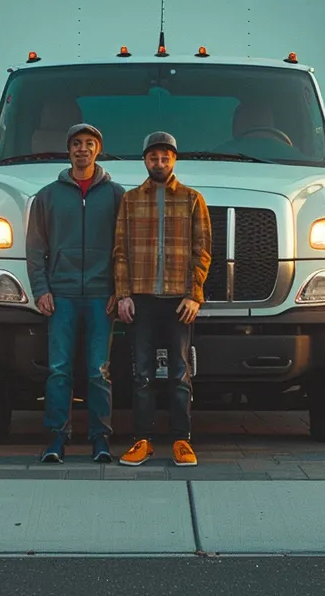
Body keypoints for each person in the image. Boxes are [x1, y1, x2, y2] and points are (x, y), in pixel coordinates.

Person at [25, 122, 126, 463]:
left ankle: (100, 440)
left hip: (101, 297)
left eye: (89, 144)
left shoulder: (116, 196)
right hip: (62, 295)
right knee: (59, 369)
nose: (83, 149)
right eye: (77, 144)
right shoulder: (47, 196)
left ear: (98, 150)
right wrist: (41, 289)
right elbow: (36, 248)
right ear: (68, 150)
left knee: (99, 370)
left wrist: (120, 289)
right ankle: (56, 439)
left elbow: (123, 248)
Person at [113, 131, 212, 467]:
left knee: (179, 372)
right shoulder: (130, 200)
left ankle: (181, 441)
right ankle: (142, 440)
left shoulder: (192, 199)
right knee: (140, 373)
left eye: (165, 157)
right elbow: (120, 251)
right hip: (141, 298)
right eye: (153, 157)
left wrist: (194, 295)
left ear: (174, 159)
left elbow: (202, 252)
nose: (159, 162)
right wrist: (123, 294)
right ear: (145, 160)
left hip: (178, 300)